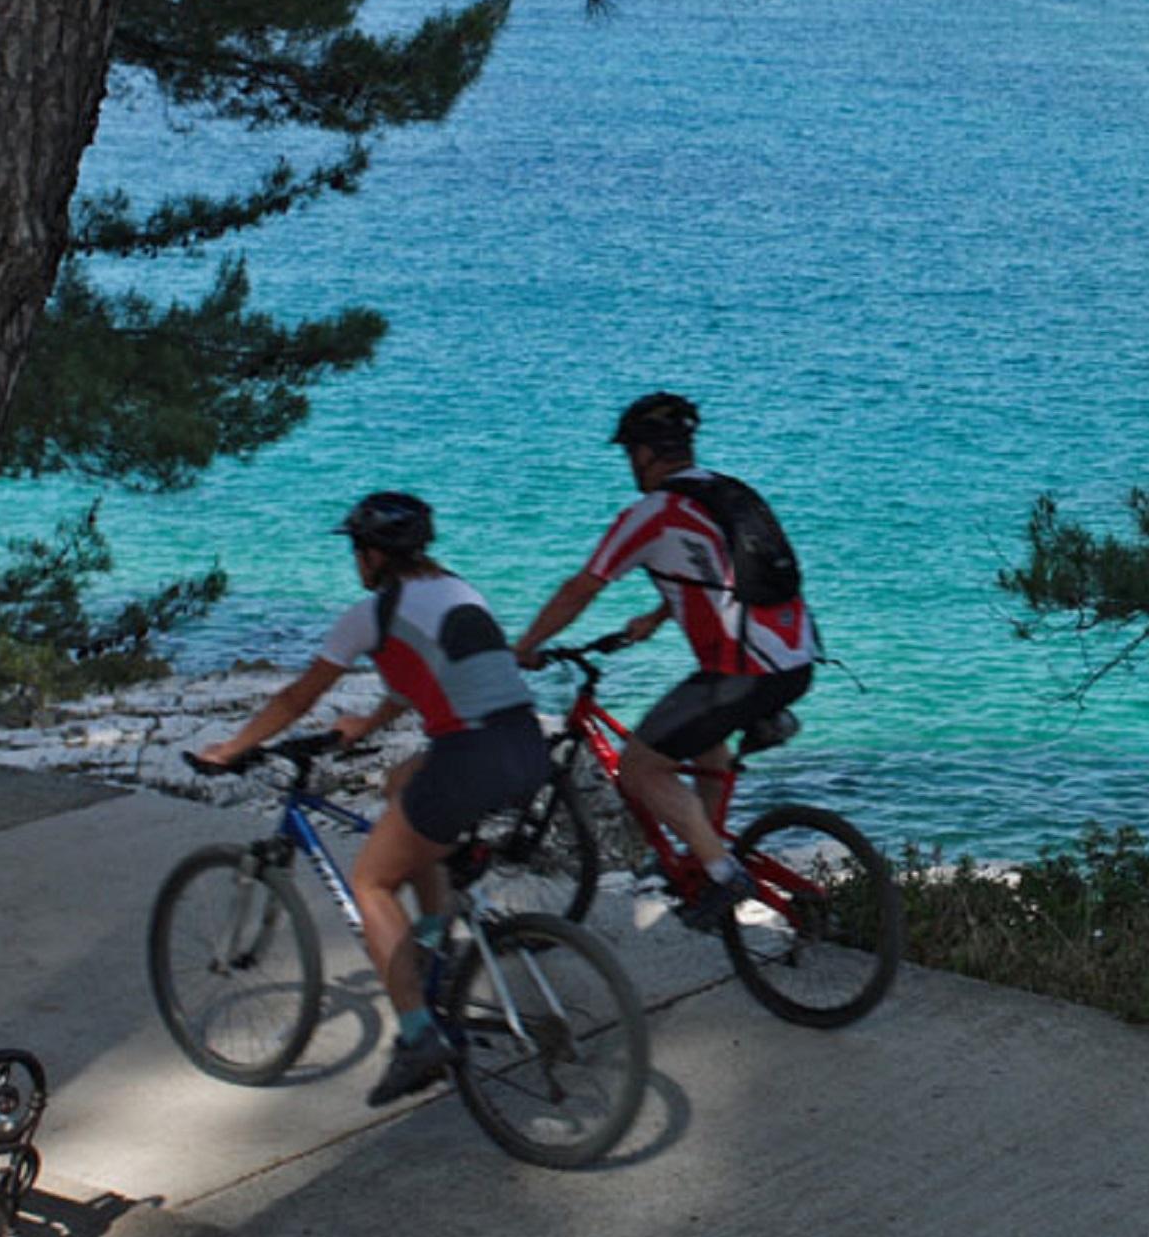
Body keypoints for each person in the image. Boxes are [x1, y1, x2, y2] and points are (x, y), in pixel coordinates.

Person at [194, 492, 551, 1106]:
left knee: (371, 883)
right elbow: (434, 671)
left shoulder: (369, 614)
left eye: (356, 549)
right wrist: (373, 720)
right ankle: (434, 932)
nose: (354, 560)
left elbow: (296, 700)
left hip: (468, 759)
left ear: (373, 555)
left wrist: (232, 747)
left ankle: (418, 1037)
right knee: (402, 786)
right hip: (525, 746)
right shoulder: (461, 590)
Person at [514, 392, 822, 932]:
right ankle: (708, 846)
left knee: (638, 768)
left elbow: (580, 589)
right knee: (705, 741)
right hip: (795, 658)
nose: (629, 464)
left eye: (630, 453)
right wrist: (658, 615)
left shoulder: (652, 514)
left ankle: (722, 873)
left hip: (741, 670)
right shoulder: (724, 492)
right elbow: (725, 568)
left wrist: (525, 645)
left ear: (645, 455)